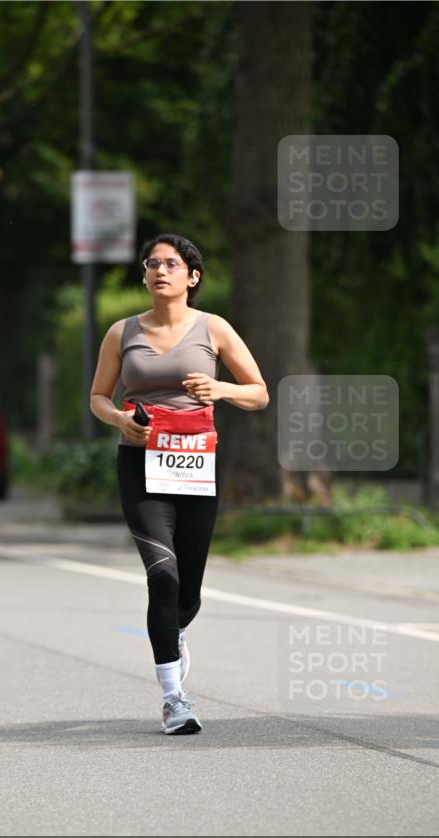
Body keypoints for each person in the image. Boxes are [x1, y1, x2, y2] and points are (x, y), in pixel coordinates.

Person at [89, 234, 269, 735]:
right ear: (144, 276)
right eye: (152, 263)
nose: (159, 270)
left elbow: (259, 393)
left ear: (192, 276)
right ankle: (174, 698)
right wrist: (121, 421)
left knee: (187, 590)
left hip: (195, 466)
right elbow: (99, 397)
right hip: (140, 467)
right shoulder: (121, 333)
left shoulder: (214, 329)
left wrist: (222, 389)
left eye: (171, 263)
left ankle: (175, 629)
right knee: (161, 576)